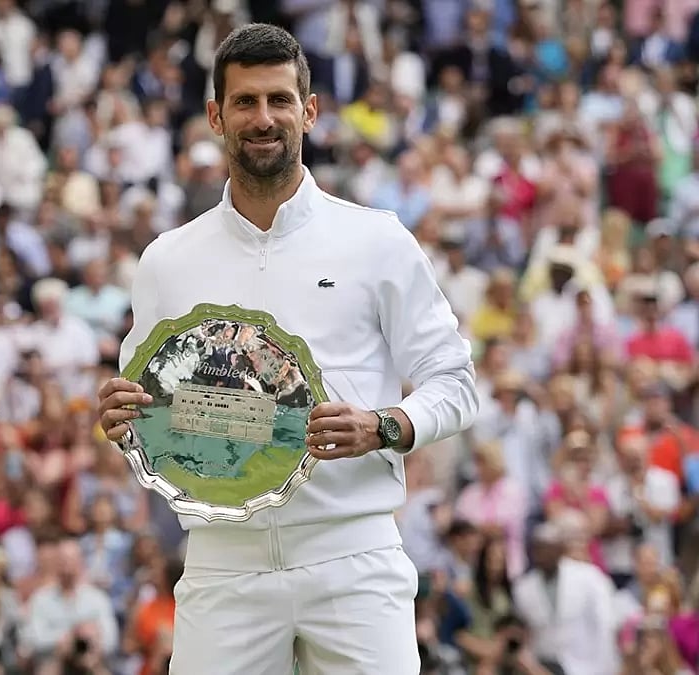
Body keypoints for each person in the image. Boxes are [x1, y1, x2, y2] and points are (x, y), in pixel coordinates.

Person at [96, 24, 478, 675]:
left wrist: (385, 425)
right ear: (216, 115)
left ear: (310, 110)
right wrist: (121, 414)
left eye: (279, 99)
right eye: (245, 102)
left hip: (352, 559)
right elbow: (151, 409)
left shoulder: (375, 240)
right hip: (223, 565)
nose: (263, 117)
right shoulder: (167, 260)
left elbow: (456, 383)